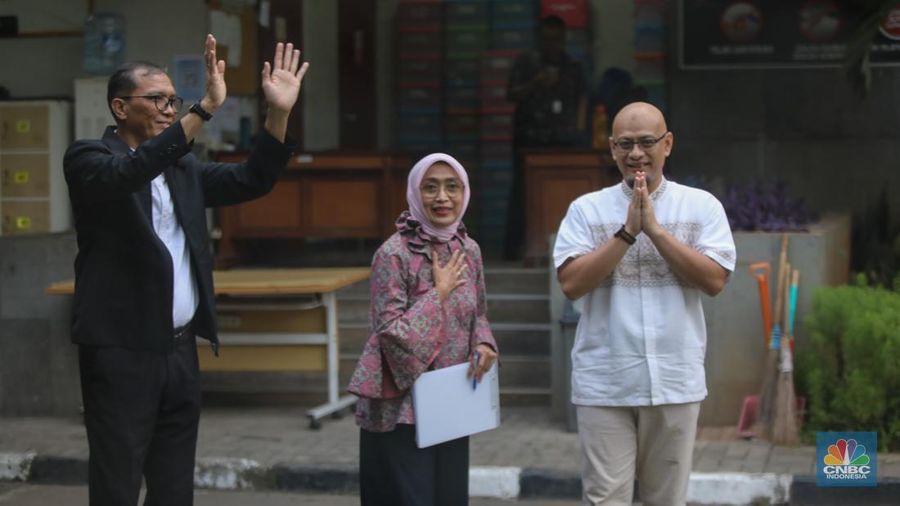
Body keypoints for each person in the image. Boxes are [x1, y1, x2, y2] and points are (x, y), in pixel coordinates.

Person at [63, 34, 308, 506]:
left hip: (179, 350)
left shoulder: (182, 169)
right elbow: (131, 173)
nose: (168, 109)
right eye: (156, 99)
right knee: (117, 480)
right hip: (121, 351)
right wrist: (205, 108)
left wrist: (277, 113)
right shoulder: (88, 159)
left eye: (173, 101)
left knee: (175, 485)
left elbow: (251, 179)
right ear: (119, 107)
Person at [553, 102, 736, 506]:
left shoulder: (700, 206)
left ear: (667, 144)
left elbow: (714, 280)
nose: (636, 153)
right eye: (625, 144)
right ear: (612, 149)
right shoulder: (586, 210)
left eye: (646, 142)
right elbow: (571, 284)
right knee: (605, 499)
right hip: (606, 383)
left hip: (675, 380)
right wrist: (627, 232)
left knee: (667, 499)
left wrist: (654, 230)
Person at [347, 153, 499, 506]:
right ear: (415, 193)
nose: (442, 197)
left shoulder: (468, 249)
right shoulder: (393, 253)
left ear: (465, 192)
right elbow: (388, 332)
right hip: (402, 409)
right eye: (430, 188)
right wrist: (438, 293)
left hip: (452, 400)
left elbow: (479, 313)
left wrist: (485, 344)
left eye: (452, 187)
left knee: (449, 496)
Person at [506, 14, 587, 260]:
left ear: (563, 39)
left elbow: (583, 99)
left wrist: (580, 131)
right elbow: (511, 95)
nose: (552, 44)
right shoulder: (526, 63)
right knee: (523, 196)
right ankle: (518, 250)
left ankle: (565, 247)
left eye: (557, 39)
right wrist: (536, 82)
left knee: (564, 193)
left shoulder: (572, 66)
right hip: (529, 139)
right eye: (547, 39)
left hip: (564, 140)